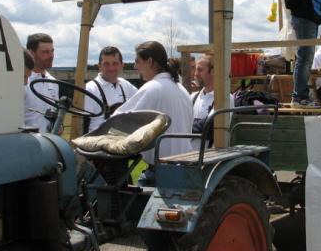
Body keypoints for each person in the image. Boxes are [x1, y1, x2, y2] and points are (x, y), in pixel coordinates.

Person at [113, 41, 193, 187]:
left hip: (161, 173)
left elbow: (119, 120)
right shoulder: (181, 89)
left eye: (137, 61)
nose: (135, 66)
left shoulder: (153, 88)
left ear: (149, 61)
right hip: (183, 170)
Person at [83, 46, 137, 133]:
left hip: (124, 139)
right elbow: (82, 124)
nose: (111, 68)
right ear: (99, 66)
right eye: (106, 64)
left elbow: (143, 101)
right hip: (98, 139)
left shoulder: (125, 85)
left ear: (122, 65)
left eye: (115, 63)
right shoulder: (90, 89)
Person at [190, 55, 233, 149]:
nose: (196, 74)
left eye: (200, 70)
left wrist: (188, 125)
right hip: (187, 154)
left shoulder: (225, 98)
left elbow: (210, 127)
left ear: (213, 71)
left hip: (210, 155)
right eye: (196, 69)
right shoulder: (192, 97)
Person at [24, 33, 59, 133]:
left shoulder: (53, 82)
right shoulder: (24, 82)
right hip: (27, 139)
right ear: (31, 53)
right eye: (45, 52)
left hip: (48, 139)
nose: (51, 56)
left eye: (52, 51)